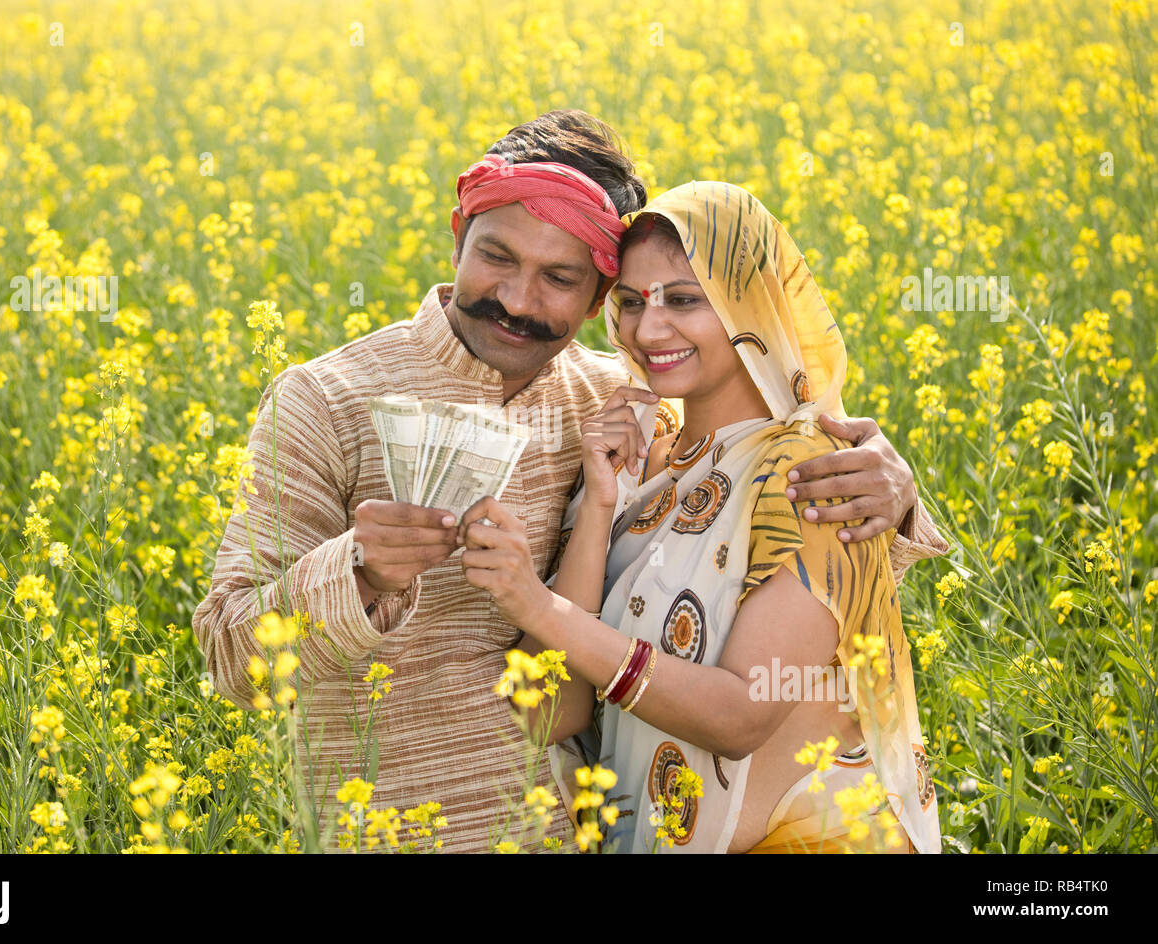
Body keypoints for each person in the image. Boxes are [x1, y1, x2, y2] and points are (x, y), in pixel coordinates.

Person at [191, 110, 946, 852]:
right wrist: (358, 572)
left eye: (560, 278)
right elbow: (233, 660)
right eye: (495, 256)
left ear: (596, 304)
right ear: (457, 237)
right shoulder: (327, 400)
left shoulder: (622, 405)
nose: (518, 300)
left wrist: (893, 495)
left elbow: (764, 558)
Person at [455, 180, 944, 853]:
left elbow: (740, 715)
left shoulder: (815, 476)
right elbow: (550, 711)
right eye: (629, 303)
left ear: (752, 303)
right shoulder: (636, 460)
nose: (648, 329)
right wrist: (597, 509)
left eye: (685, 300)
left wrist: (536, 606)